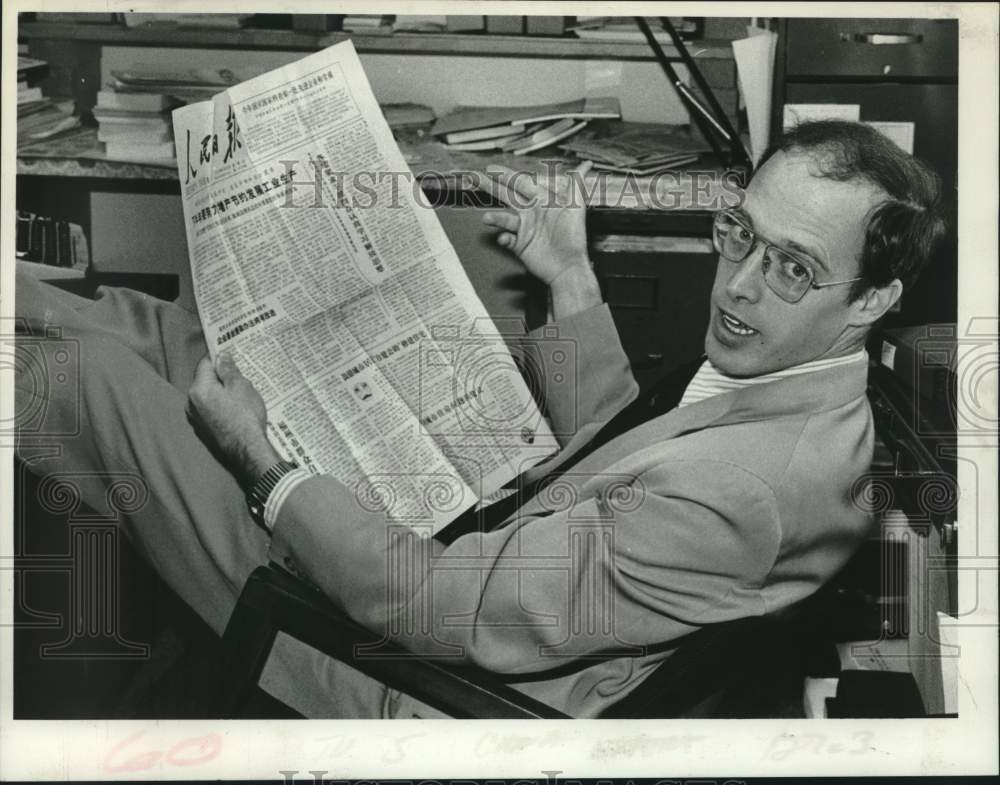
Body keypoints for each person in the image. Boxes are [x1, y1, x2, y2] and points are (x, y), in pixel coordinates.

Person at [13, 120, 944, 718]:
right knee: (174, 333)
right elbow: (628, 450)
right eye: (740, 232)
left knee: (87, 380)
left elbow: (433, 606)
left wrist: (264, 466)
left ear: (873, 298)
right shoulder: (802, 383)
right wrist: (570, 279)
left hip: (398, 666)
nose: (739, 284)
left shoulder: (747, 492)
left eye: (792, 266)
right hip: (474, 556)